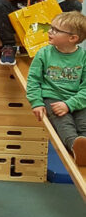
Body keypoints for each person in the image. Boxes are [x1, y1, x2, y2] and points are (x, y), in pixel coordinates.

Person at [26, 11, 86, 165]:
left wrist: (70, 104)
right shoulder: (43, 54)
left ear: (73, 38)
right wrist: (37, 102)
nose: (50, 32)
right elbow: (33, 80)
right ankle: (74, 146)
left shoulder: (83, 57)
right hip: (52, 98)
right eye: (51, 28)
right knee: (64, 122)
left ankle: (84, 146)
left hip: (77, 99)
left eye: (56, 30)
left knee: (83, 122)